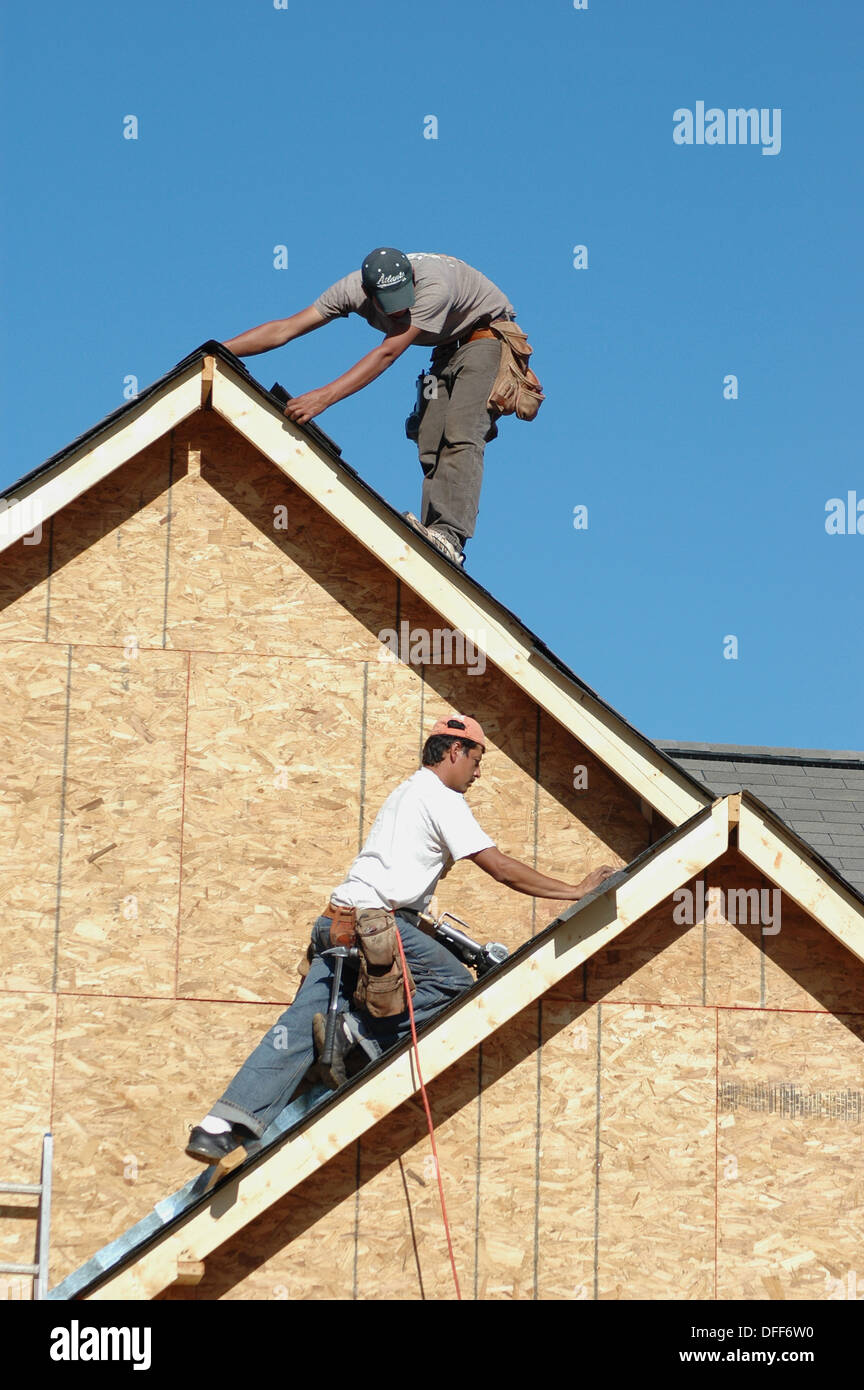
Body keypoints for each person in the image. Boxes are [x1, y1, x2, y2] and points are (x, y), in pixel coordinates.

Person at [186, 713, 618, 1165]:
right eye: (477, 758)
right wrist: (574, 891)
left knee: (296, 1028)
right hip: (371, 925)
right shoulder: (442, 797)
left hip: (335, 922)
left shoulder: (406, 791)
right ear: (455, 751)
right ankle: (354, 1033)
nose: (478, 771)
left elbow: (395, 883)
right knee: (452, 986)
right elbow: (499, 868)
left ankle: (218, 1128)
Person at [222, 248, 522, 567]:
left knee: (462, 433)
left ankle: (449, 536)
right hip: (446, 346)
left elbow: (387, 354)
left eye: (404, 297)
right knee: (430, 439)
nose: (400, 310)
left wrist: (324, 396)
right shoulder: (350, 289)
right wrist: (217, 351)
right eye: (390, 303)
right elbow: (285, 329)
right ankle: (433, 534)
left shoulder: (434, 288)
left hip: (487, 336)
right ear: (368, 294)